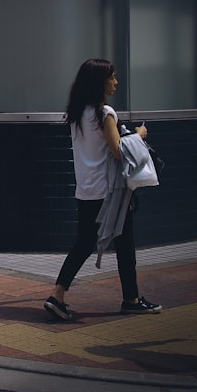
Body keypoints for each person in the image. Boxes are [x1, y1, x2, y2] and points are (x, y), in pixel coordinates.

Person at [44, 58, 162, 321]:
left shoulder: (77, 114)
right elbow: (119, 151)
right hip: (109, 193)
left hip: (86, 190)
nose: (116, 82)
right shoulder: (104, 113)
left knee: (84, 244)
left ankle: (57, 295)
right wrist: (139, 135)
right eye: (112, 77)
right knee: (125, 245)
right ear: (100, 82)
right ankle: (131, 300)